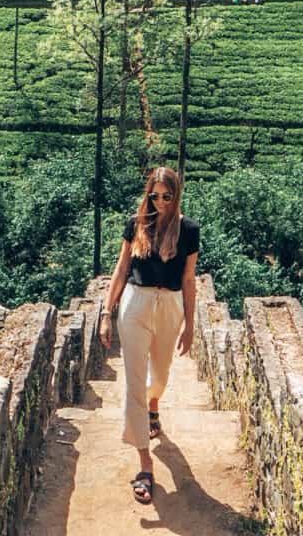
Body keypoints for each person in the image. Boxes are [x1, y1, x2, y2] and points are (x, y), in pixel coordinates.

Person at [98, 166, 200, 506]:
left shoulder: (188, 230)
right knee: (134, 381)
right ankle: (144, 463)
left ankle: (154, 403)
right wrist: (105, 313)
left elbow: (188, 279)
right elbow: (121, 268)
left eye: (166, 196)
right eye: (153, 195)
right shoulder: (137, 223)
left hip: (170, 305)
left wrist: (191, 323)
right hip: (135, 304)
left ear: (176, 196)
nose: (159, 202)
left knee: (161, 375)